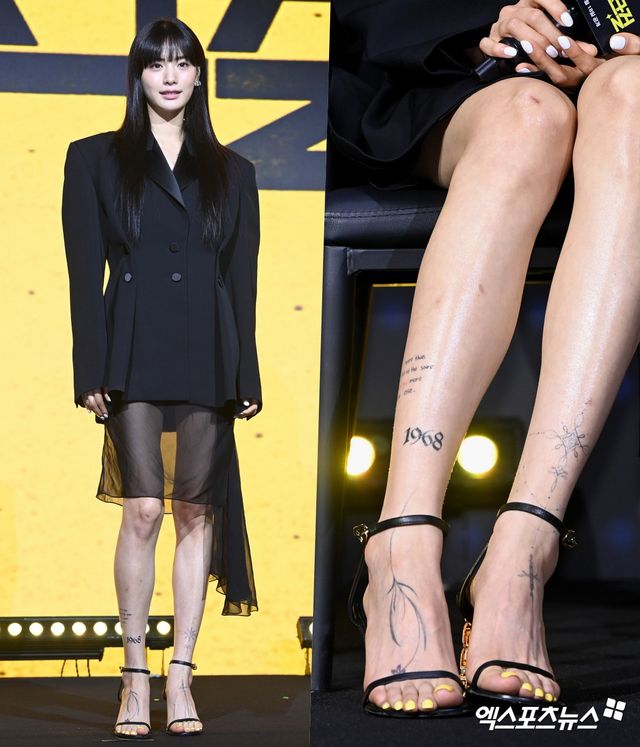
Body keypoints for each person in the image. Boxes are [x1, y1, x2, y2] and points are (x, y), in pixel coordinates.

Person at [331, 0, 640, 716]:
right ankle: (401, 544)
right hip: (444, 74)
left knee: (633, 98)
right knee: (529, 116)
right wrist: (486, 32)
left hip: (619, 83)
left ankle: (523, 550)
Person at [62, 18, 261, 738]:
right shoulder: (94, 158)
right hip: (133, 344)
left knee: (195, 511)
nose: (170, 76)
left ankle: (182, 674)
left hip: (208, 346)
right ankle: (134, 674)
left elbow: (243, 280)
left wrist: (247, 369)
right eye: (156, 64)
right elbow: (83, 273)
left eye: (182, 63)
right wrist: (90, 367)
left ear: (200, 75)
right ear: (138, 75)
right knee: (143, 507)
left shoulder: (234, 171)